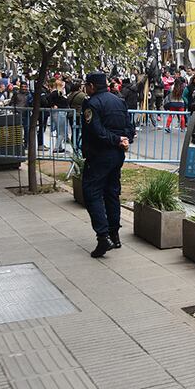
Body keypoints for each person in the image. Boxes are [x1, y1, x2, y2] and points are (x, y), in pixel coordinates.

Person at [81, 72, 135, 257]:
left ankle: (103, 237)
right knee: (112, 193)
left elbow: (96, 130)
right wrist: (123, 139)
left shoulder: (91, 103)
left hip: (99, 154)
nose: (85, 89)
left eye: (86, 85)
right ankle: (114, 234)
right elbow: (129, 127)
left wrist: (117, 139)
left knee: (92, 192)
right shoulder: (118, 101)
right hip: (117, 154)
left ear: (92, 86)